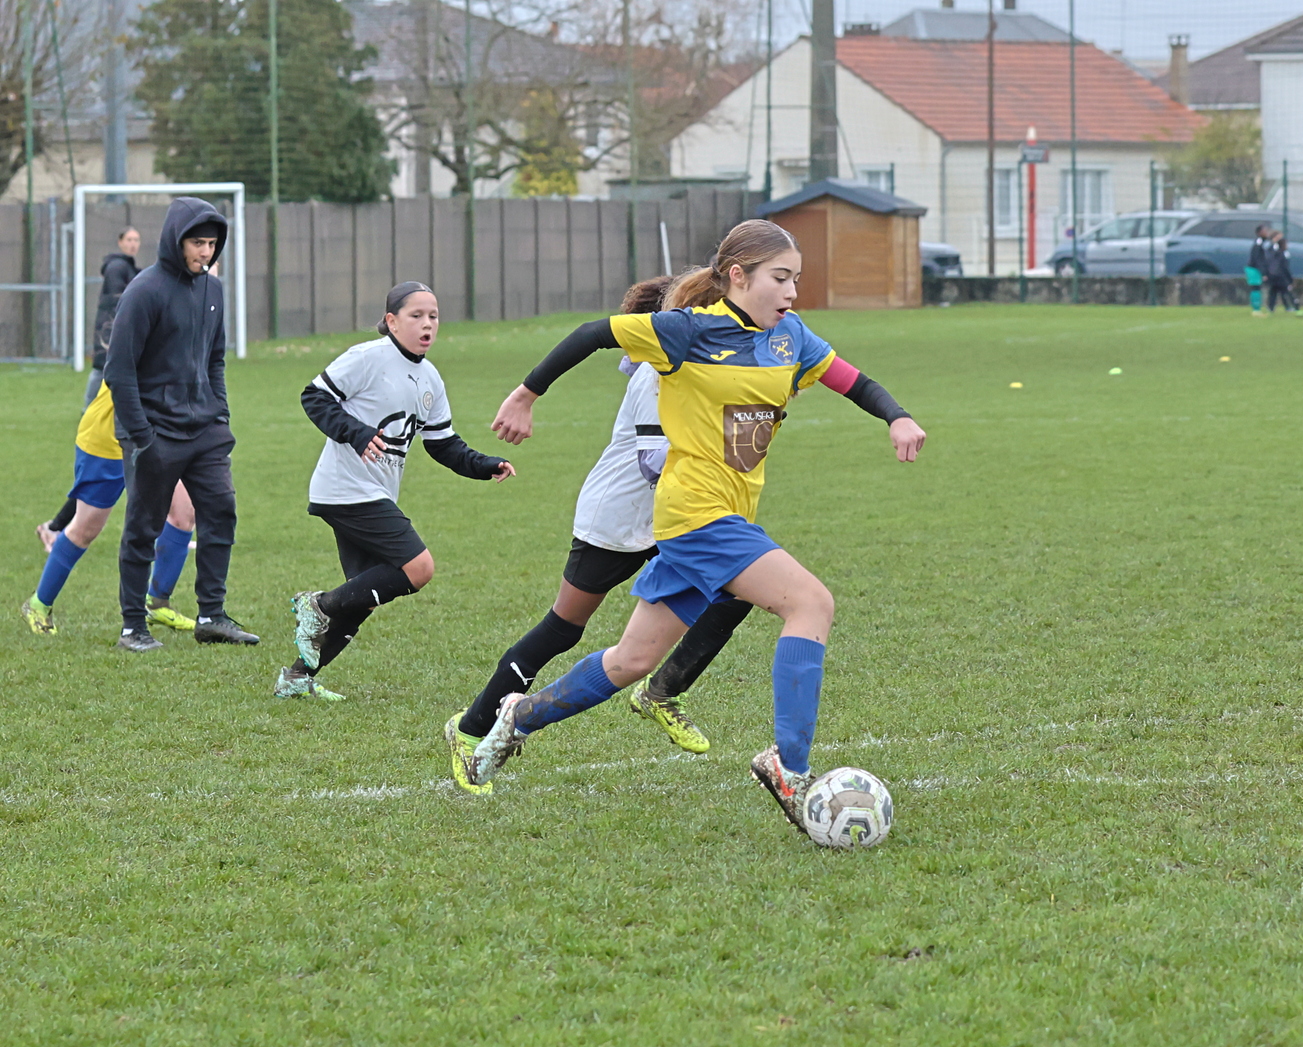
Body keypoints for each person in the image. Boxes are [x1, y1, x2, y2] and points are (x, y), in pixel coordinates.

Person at [458, 220, 926, 833]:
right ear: (738, 276)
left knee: (631, 660)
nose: (792, 292)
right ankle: (790, 767)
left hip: (721, 517)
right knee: (811, 603)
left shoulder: (791, 338)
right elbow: (593, 333)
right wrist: (525, 394)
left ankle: (519, 718)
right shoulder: (687, 331)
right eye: (780, 278)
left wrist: (896, 416)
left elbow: (852, 380)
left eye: (796, 279)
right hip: (697, 515)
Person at [281, 282, 515, 701]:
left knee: (363, 599)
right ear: (391, 321)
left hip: (373, 492)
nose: (428, 324)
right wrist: (356, 433)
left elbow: (443, 444)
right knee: (418, 568)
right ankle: (317, 605)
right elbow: (314, 397)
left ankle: (297, 678)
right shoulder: (369, 357)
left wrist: (484, 465)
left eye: (434, 316)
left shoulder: (430, 378)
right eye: (416, 316)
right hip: (346, 489)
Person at [104, 196, 256, 652]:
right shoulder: (144, 291)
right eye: (197, 243)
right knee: (143, 527)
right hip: (154, 433)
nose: (205, 252)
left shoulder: (214, 290)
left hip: (205, 431)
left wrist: (220, 413)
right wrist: (143, 437)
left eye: (211, 244)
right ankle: (133, 627)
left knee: (221, 512)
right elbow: (118, 371)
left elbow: (215, 358)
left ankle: (211, 616)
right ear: (176, 241)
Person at [22, 380, 199, 635]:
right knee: (85, 528)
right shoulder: (134, 351)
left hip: (158, 435)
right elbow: (123, 378)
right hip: (108, 439)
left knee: (184, 513)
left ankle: (157, 603)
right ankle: (38, 604)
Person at [35, 227, 143, 552]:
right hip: (108, 382)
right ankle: (54, 528)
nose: (133, 244)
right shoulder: (117, 268)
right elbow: (117, 311)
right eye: (129, 240)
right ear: (120, 242)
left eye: (137, 240)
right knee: (100, 473)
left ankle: (171, 528)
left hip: (117, 384)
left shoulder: (129, 269)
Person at [1264, 232, 1303, 316]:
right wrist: (1290, 279)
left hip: (1274, 275)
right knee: (1288, 291)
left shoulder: (1276, 252)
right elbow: (1285, 267)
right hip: (1281, 277)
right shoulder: (1281, 253)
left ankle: (1271, 308)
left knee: (1273, 292)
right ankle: (1296, 307)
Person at [1246, 223, 1269, 317]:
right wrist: (1263, 272)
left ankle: (1257, 309)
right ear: (1259, 232)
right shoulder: (1258, 243)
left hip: (1254, 268)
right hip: (1254, 269)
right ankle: (1256, 310)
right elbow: (1257, 259)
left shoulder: (1261, 242)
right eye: (1265, 231)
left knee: (1256, 288)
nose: (1267, 232)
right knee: (1256, 288)